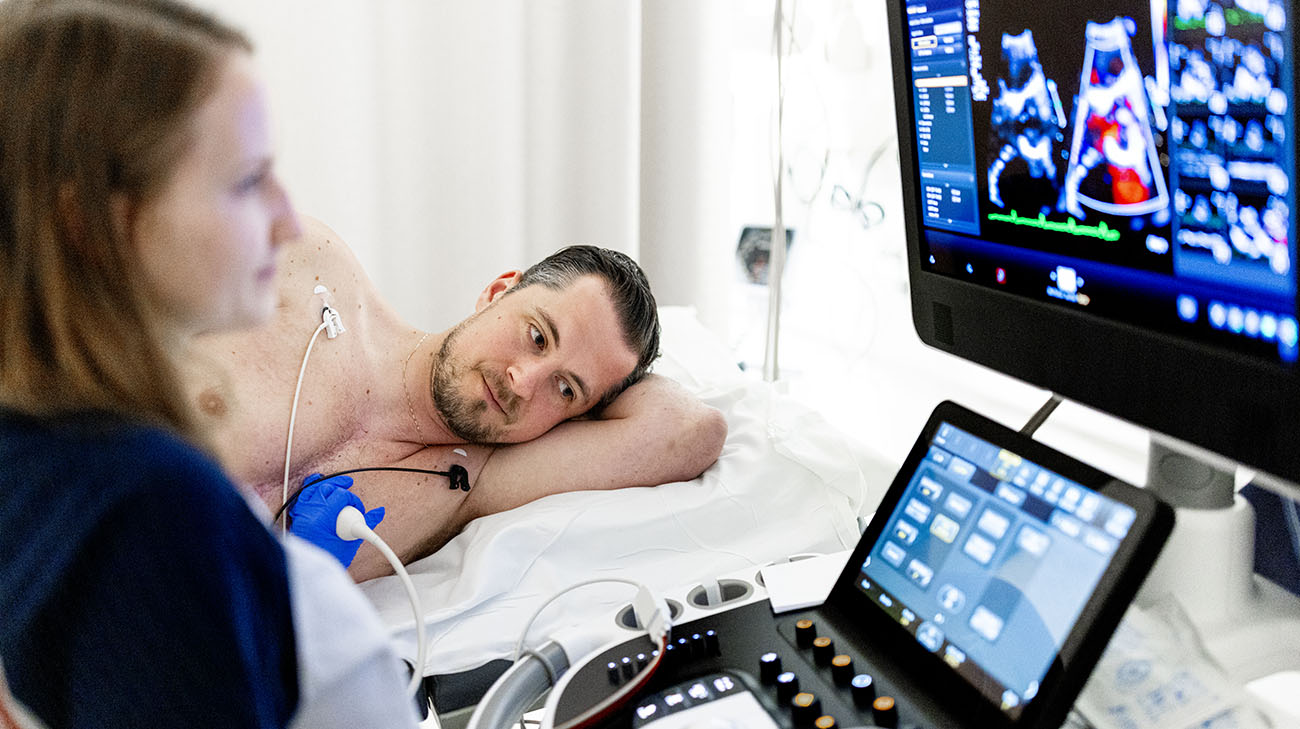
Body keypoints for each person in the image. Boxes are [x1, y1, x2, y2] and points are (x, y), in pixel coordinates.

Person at [0, 1, 417, 727]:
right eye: (248, 180)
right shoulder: (151, 507)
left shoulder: (36, 446)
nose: (288, 221)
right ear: (95, 224)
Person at [185, 216, 729, 581]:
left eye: (565, 389)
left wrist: (607, 382)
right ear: (498, 292)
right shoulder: (313, 269)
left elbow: (688, 431)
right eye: (537, 335)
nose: (523, 380)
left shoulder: (470, 485)